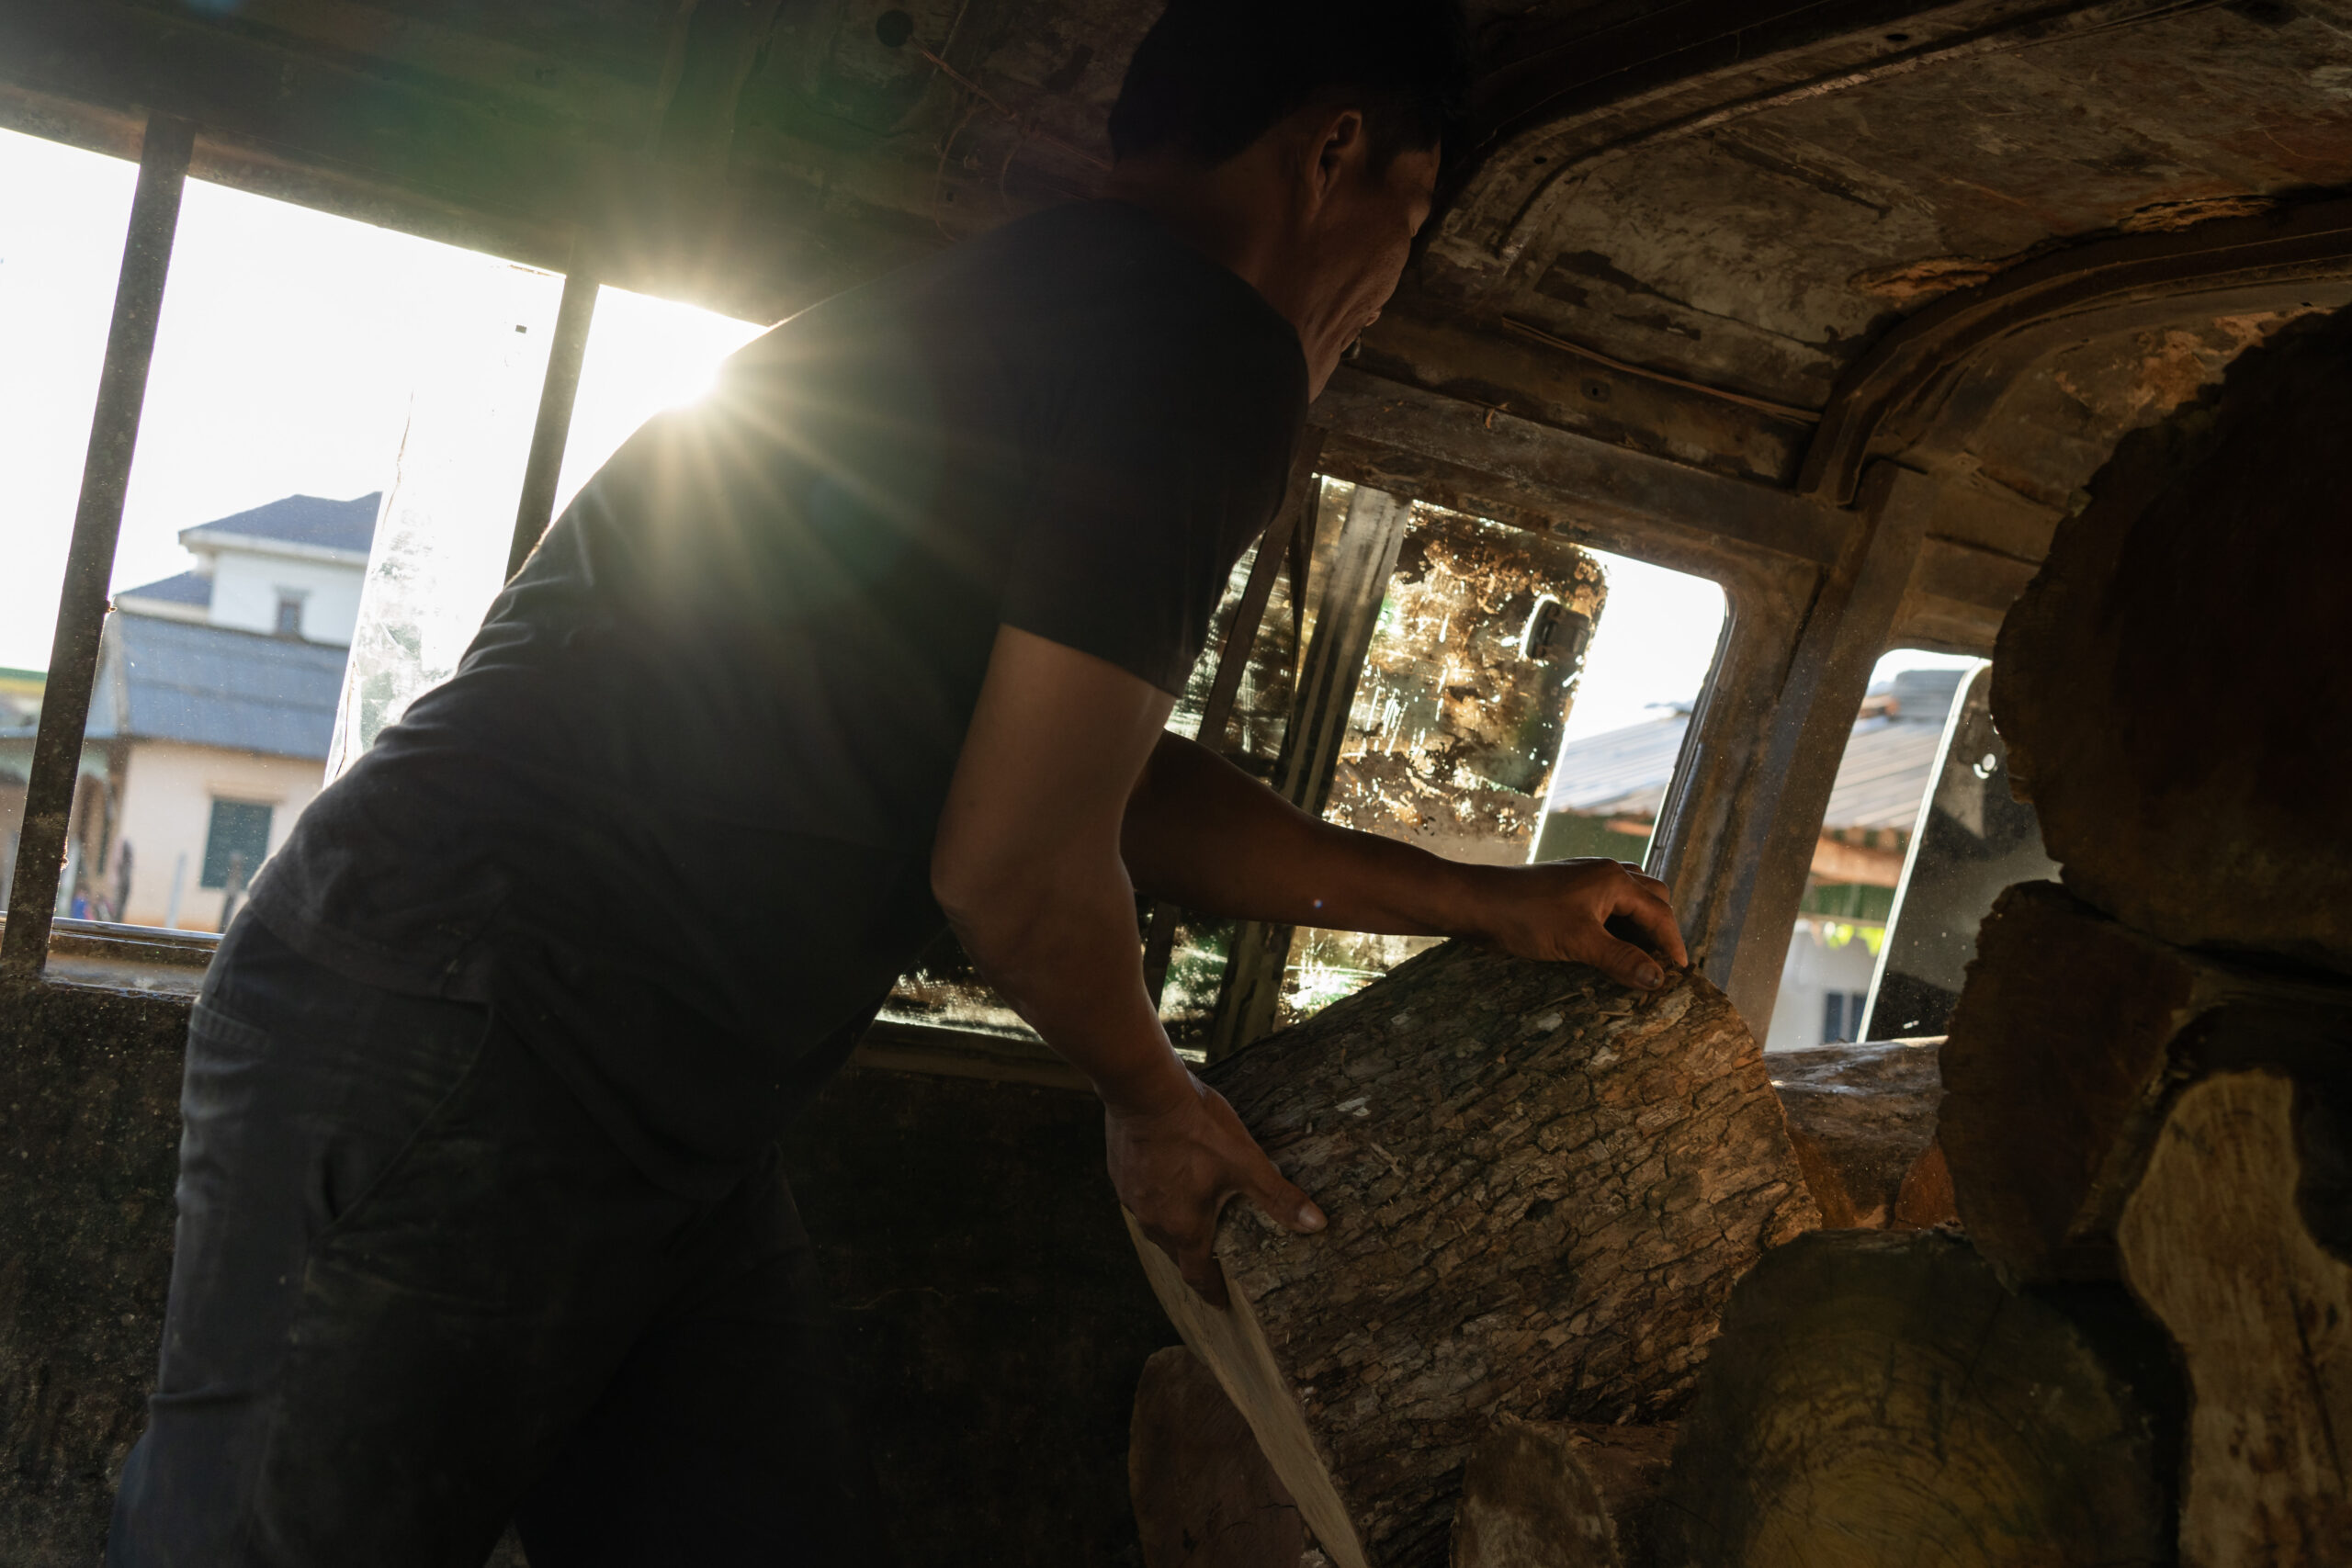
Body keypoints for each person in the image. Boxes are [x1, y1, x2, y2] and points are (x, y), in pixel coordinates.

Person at [108, 1, 1686, 1562]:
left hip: (635, 1075)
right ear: (1333, 155)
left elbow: (1086, 779)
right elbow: (1014, 865)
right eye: (1406, 231)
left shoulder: (1034, 316)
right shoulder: (1205, 341)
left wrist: (1473, 900)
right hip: (480, 1018)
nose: (1380, 305)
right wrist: (1149, 1097)